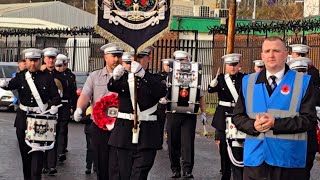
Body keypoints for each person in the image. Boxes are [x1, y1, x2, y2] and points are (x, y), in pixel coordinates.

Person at [233, 37, 316, 180]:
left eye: (276, 51)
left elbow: (309, 120)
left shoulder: (303, 82)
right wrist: (252, 125)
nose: (271, 55)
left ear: (285, 54)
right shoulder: (248, 81)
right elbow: (237, 117)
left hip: (289, 161)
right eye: (267, 51)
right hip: (256, 160)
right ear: (262, 56)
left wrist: (275, 124)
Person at [0, 48, 61, 180]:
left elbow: (55, 96)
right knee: (25, 155)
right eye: (30, 61)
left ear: (39, 61)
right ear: (26, 61)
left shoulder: (47, 77)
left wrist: (53, 106)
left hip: (40, 119)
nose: (33, 64)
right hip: (23, 120)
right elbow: (10, 85)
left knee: (37, 157)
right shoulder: (21, 76)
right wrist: (4, 84)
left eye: (35, 61)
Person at [107, 46, 167, 180]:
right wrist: (115, 77)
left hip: (147, 133)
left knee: (139, 174)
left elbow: (160, 91)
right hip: (124, 133)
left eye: (140, 57)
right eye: (132, 58)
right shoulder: (123, 79)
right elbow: (112, 86)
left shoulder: (155, 79)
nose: (135, 61)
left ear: (149, 58)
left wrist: (143, 75)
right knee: (124, 174)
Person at [73, 43, 123, 180]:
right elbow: (86, 94)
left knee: (118, 164)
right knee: (101, 163)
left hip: (120, 126)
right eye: (113, 56)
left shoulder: (127, 76)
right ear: (105, 57)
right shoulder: (95, 76)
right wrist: (79, 108)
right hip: (100, 127)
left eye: (119, 56)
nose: (117, 60)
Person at [165, 50, 206, 179]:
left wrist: (204, 112)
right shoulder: (169, 75)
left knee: (188, 143)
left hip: (189, 114)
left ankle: (187, 170)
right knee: (173, 142)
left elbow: (200, 96)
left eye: (184, 60)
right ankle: (175, 168)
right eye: (179, 60)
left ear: (189, 60)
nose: (182, 63)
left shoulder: (194, 76)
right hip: (173, 113)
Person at [208, 53, 245, 180]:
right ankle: (225, 174)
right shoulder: (222, 79)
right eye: (230, 65)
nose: (232, 68)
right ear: (226, 66)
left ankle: (238, 175)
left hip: (238, 115)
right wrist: (213, 83)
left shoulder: (244, 78)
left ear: (239, 65)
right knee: (224, 149)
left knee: (239, 148)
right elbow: (210, 90)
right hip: (223, 117)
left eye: (235, 65)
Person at [287, 57, 320, 180]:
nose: (301, 75)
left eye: (303, 71)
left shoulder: (315, 91)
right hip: (289, 142)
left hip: (307, 143)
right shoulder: (284, 90)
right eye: (297, 72)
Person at [54, 54, 77, 163]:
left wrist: (73, 105)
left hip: (65, 104)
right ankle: (53, 149)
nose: (60, 67)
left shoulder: (70, 76)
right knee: (54, 128)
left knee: (63, 128)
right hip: (54, 105)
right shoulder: (52, 74)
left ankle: (61, 151)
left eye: (63, 64)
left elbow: (73, 92)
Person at [41, 47, 61, 175]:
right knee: (42, 137)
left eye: (53, 58)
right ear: (44, 59)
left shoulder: (61, 75)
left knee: (53, 138)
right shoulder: (40, 75)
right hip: (43, 109)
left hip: (56, 110)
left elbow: (64, 93)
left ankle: (52, 165)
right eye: (48, 58)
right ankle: (44, 164)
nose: (51, 60)